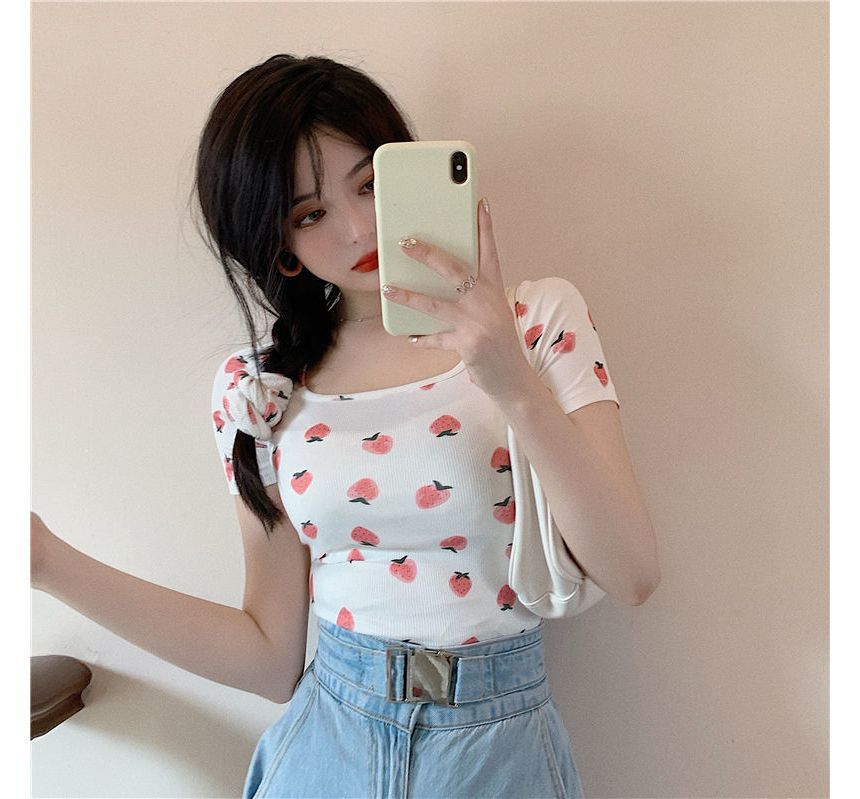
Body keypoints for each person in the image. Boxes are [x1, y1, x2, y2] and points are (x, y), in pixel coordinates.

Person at [31, 54, 660, 798]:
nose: (361, 226)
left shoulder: (537, 319)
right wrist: (46, 561)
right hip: (326, 749)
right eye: (311, 214)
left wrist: (512, 384)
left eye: (369, 184)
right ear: (280, 246)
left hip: (498, 753)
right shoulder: (259, 390)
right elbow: (268, 657)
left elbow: (631, 574)